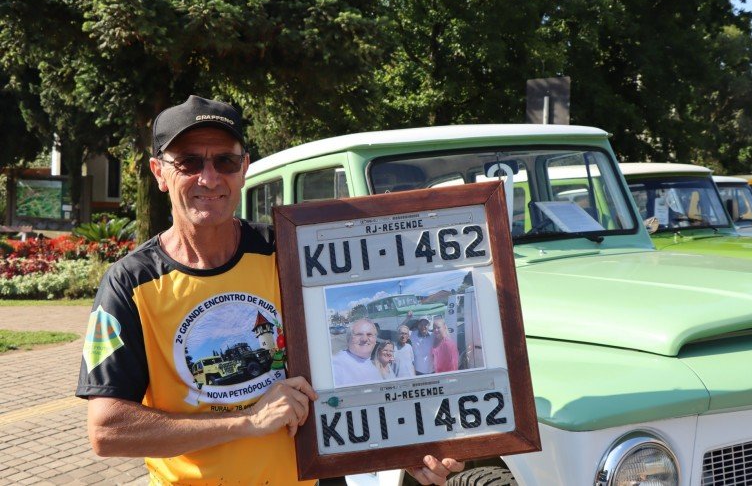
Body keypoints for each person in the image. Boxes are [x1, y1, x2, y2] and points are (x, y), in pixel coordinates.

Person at [75, 95, 463, 485]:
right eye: (189, 162)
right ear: (159, 173)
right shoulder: (131, 283)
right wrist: (247, 422)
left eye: (224, 161)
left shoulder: (292, 252)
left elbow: (350, 373)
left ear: (243, 168)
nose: (208, 178)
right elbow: (108, 430)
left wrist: (409, 445)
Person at [331, 319, 382, 385]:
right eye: (359, 334)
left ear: (375, 340)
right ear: (348, 339)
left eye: (369, 334)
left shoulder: (371, 363)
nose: (364, 339)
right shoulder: (336, 365)